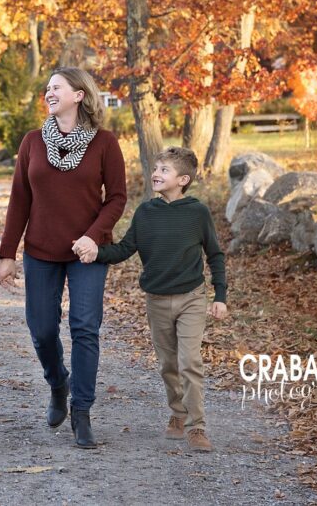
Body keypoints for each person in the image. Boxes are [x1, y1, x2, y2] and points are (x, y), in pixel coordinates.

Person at [0, 67, 127, 448]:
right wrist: (7, 254)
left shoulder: (104, 143)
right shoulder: (33, 142)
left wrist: (92, 236)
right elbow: (20, 199)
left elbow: (116, 197)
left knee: (85, 328)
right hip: (41, 250)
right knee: (42, 330)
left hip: (87, 253)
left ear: (79, 95)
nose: (48, 93)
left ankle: (82, 411)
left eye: (56, 87)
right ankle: (58, 383)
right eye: (47, 88)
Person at [74, 146, 228, 452]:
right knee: (168, 364)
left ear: (183, 179)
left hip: (191, 298)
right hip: (156, 300)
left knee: (189, 361)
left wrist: (220, 295)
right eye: (156, 168)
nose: (156, 174)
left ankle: (197, 427)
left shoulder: (197, 213)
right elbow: (125, 249)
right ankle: (178, 413)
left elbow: (215, 254)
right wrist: (95, 251)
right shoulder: (146, 213)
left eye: (164, 170)